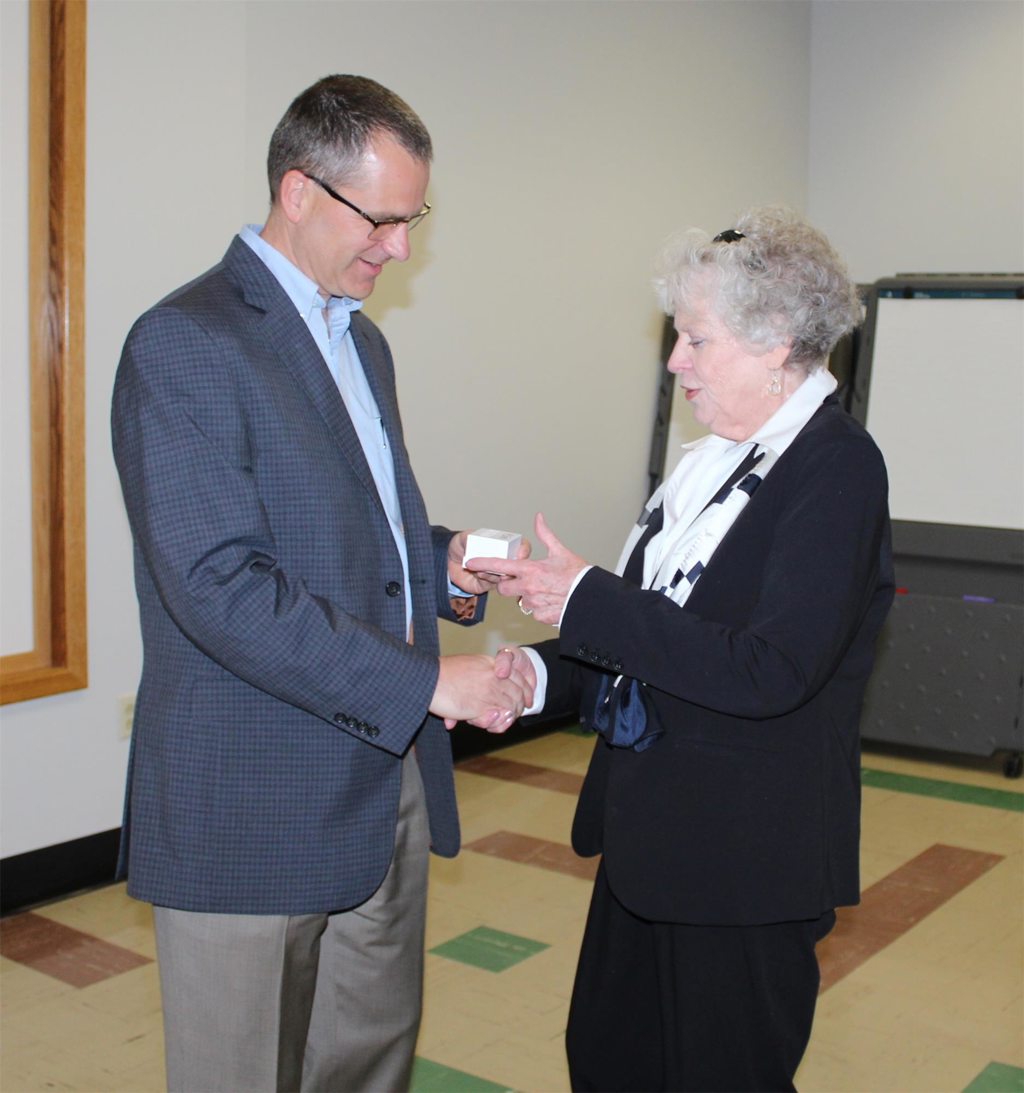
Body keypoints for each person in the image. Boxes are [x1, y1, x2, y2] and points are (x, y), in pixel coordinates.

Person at [111, 75, 532, 1093]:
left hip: (380, 784)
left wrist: (447, 560)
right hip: (251, 801)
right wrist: (434, 684)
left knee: (366, 1063)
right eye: (382, 220)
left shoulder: (361, 340)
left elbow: (343, 534)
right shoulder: (186, 342)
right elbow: (220, 587)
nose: (399, 247)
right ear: (300, 191)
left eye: (411, 219)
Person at [469, 207, 894, 1092]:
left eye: (696, 340)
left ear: (777, 340)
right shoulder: (707, 463)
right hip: (650, 844)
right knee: (610, 1065)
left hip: (743, 863)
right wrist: (537, 669)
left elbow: (770, 668)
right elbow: (651, 642)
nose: (674, 362)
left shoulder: (837, 469)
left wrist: (589, 596)